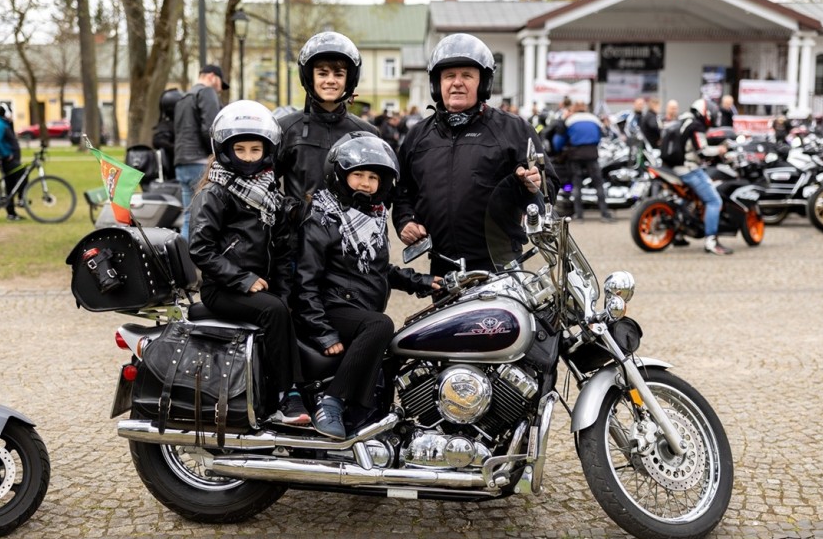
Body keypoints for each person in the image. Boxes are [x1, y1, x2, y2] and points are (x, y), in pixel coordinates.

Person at [294, 132, 439, 438]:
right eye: (357, 174)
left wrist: (424, 282)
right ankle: (330, 402)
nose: (365, 183)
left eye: (373, 177)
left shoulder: (371, 218)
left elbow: (380, 269)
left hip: (357, 308)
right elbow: (305, 282)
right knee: (380, 326)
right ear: (339, 176)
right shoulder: (323, 218)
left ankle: (370, 421)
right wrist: (322, 330)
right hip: (331, 308)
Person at [392, 33, 558, 277]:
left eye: (467, 75)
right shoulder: (418, 136)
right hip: (443, 267)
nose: (457, 83)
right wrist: (404, 221)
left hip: (500, 264)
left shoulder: (513, 129)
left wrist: (535, 184)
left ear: (483, 83)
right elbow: (401, 191)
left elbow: (550, 185)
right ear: (437, 84)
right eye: (449, 76)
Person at [188, 100, 310, 425]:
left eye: (255, 149)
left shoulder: (269, 194)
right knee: (273, 311)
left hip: (261, 284)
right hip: (223, 287)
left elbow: (283, 252)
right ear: (225, 150)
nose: (248, 156)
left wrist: (285, 293)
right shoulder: (214, 193)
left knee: (291, 306)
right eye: (240, 149)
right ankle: (288, 396)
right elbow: (200, 249)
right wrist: (242, 280)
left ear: (268, 151)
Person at [276, 32, 378, 205]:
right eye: (322, 74)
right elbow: (263, 183)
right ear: (310, 77)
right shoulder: (286, 129)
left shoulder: (366, 133)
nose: (331, 80)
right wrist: (290, 212)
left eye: (338, 74)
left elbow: (381, 191)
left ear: (348, 79)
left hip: (350, 230)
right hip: (299, 231)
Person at [671, 98, 733, 255]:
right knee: (714, 201)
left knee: (687, 200)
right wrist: (719, 150)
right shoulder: (696, 126)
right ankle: (711, 241)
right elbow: (702, 150)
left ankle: (678, 234)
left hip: (674, 168)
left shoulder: (683, 120)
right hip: (689, 168)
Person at [174, 64, 229, 238]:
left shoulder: (183, 98)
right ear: (212, 77)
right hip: (200, 163)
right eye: (220, 85)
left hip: (182, 163)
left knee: (189, 218)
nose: (219, 91)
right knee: (207, 219)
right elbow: (211, 129)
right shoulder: (206, 92)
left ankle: (181, 262)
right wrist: (220, 155)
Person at [551, 101, 613, 222]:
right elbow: (601, 137)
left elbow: (558, 142)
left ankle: (579, 215)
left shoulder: (570, 120)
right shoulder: (594, 119)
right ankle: (604, 214)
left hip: (576, 155)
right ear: (585, 108)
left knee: (577, 184)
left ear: (574, 108)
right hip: (592, 154)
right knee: (598, 184)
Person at [0, 106, 25, 221]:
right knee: (22, 172)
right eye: (10, 113)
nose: (11, 116)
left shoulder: (5, 124)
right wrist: (6, 154)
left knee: (10, 185)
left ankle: (11, 214)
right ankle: (21, 199)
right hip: (5, 160)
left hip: (10, 159)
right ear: (5, 114)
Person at [152, 88, 183, 183]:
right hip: (173, 171)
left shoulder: (169, 124)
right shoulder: (167, 126)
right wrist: (178, 149)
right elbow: (157, 140)